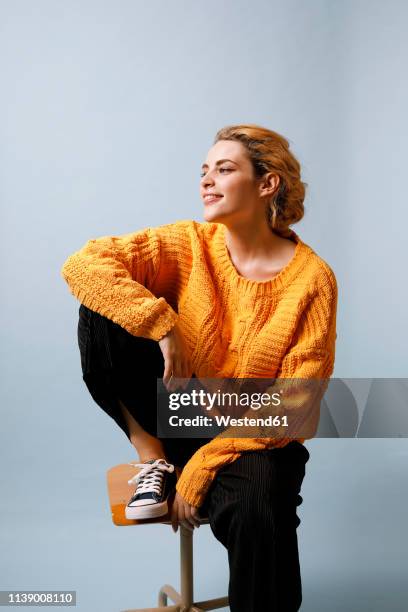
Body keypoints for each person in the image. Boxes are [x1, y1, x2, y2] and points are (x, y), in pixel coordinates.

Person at [61, 124, 338, 611]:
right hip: (180, 418)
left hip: (256, 439)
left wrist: (207, 464)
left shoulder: (312, 280)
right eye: (204, 171)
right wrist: (163, 326)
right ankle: (155, 459)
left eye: (225, 169)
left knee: (259, 509)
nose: (207, 181)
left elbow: (298, 406)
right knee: (103, 307)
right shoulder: (189, 242)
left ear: (267, 183)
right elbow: (83, 265)